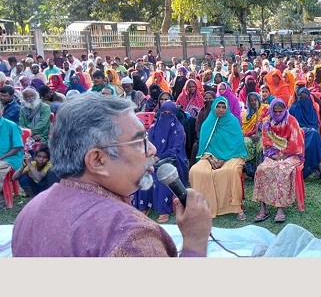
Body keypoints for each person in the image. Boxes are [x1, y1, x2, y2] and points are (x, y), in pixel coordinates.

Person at [11, 93, 212, 256]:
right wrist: (195, 243)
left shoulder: (30, 211)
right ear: (97, 160)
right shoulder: (130, 236)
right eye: (139, 141)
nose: (151, 149)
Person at [189, 96, 247, 221]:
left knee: (230, 171)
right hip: (210, 156)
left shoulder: (233, 122)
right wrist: (210, 159)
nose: (220, 110)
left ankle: (235, 208)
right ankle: (203, 207)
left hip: (233, 155)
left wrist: (223, 160)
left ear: (227, 108)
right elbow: (204, 147)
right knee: (196, 171)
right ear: (214, 108)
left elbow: (237, 146)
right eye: (218, 107)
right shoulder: (208, 124)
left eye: (223, 107)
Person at [252, 98, 305, 223]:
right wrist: (275, 155)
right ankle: (263, 208)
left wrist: (283, 155)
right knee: (262, 169)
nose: (278, 114)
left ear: (285, 110)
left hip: (292, 155)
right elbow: (266, 143)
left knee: (282, 170)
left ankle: (280, 208)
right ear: (271, 111)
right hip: (273, 155)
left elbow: (296, 143)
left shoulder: (291, 121)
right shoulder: (267, 125)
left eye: (280, 111)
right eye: (275, 111)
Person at [135, 100, 189, 223]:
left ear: (174, 114)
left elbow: (176, 150)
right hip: (152, 159)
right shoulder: (154, 128)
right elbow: (148, 146)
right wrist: (151, 158)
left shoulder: (178, 129)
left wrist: (159, 157)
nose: (166, 115)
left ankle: (163, 210)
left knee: (161, 177)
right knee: (142, 173)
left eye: (170, 113)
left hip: (172, 161)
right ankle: (143, 206)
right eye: (164, 112)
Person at [289, 87, 321, 185]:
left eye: (305, 97)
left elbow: (316, 125)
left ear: (309, 97)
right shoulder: (293, 108)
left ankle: (320, 170)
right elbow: (290, 126)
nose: (303, 100)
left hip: (311, 135)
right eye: (301, 97)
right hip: (297, 135)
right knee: (314, 136)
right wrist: (303, 130)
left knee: (314, 136)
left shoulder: (312, 109)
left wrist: (311, 130)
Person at [241, 91, 270, 179]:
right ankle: (251, 171)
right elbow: (244, 130)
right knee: (245, 143)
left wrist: (261, 124)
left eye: (255, 100)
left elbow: (269, 123)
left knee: (262, 146)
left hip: (265, 134)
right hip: (250, 136)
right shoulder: (246, 114)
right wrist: (250, 136)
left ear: (259, 99)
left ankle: (262, 172)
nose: (254, 102)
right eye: (251, 101)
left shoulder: (266, 108)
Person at [0, 101, 25, 198]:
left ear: (2, 111)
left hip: (12, 158)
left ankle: (2, 196)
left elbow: (18, 146)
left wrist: (2, 157)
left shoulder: (11, 125)